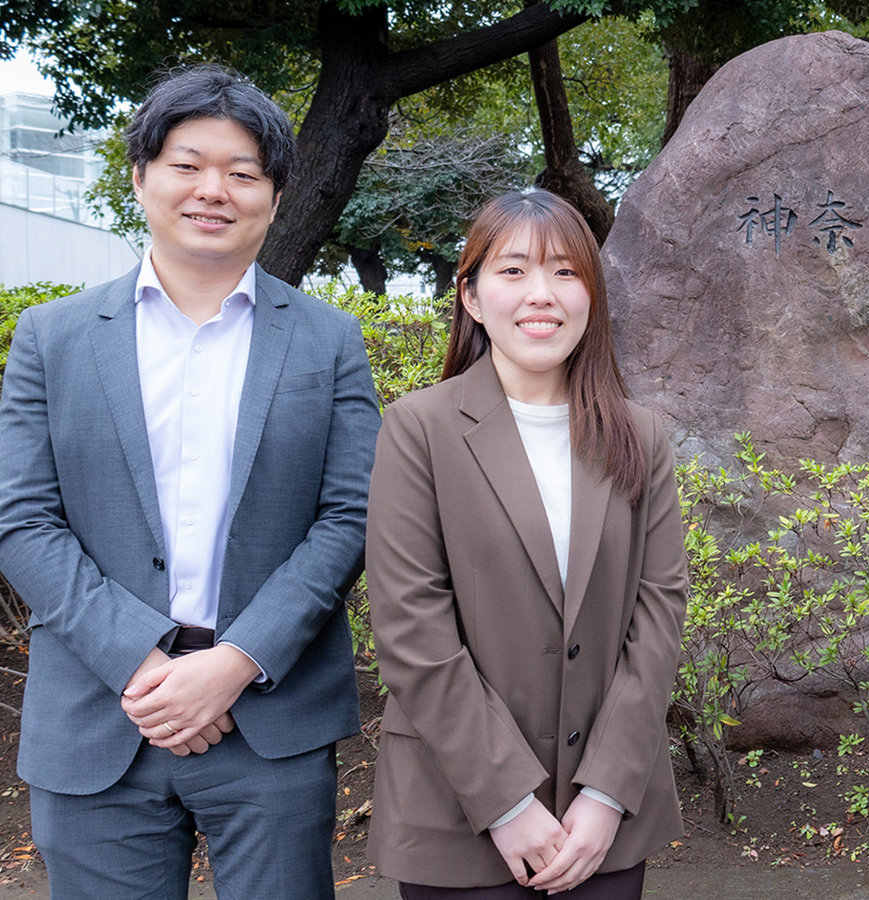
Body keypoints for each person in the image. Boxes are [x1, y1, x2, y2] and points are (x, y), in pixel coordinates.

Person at [0, 65, 381, 898]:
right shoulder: (51, 339)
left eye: (243, 173)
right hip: (101, 716)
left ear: (275, 197)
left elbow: (351, 515)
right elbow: (22, 519)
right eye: (187, 164)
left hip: (269, 722)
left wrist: (237, 660)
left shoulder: (328, 342)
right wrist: (144, 660)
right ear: (139, 178)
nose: (214, 190)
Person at [365, 189, 688, 899]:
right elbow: (411, 625)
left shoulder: (640, 436)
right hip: (458, 810)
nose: (541, 294)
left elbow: (658, 615)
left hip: (601, 822)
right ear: (473, 297)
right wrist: (509, 804)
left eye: (566, 272)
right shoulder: (419, 429)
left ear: (593, 297)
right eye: (513, 271)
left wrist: (607, 792)